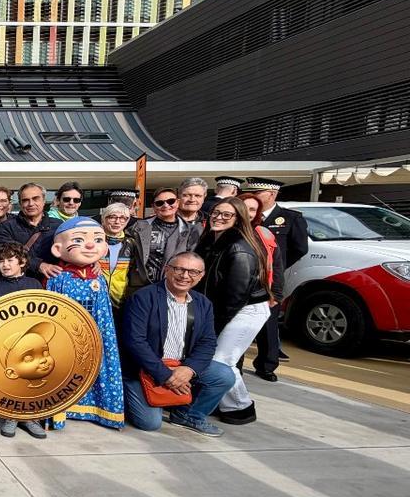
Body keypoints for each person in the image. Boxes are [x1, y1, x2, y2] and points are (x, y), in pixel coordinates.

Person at [120, 252, 235, 436]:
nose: (185, 276)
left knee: (224, 375)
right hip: (145, 368)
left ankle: (188, 415)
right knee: (150, 423)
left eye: (193, 272)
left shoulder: (203, 303)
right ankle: (134, 397)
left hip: (181, 365)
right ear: (167, 270)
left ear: (201, 276)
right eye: (179, 269)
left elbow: (207, 343)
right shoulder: (143, 297)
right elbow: (135, 341)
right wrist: (166, 376)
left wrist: (188, 370)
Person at [194, 197, 274, 425]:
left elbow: (234, 296)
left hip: (244, 310)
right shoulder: (210, 240)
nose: (218, 218)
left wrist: (213, 326)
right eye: (216, 213)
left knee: (222, 361)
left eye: (226, 215)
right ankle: (221, 402)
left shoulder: (240, 248)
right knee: (218, 359)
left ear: (238, 219)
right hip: (223, 309)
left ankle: (240, 406)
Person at [45, 217, 124, 430]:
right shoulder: (57, 278)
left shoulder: (99, 279)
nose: (90, 245)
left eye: (97, 240)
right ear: (57, 249)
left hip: (96, 334)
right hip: (65, 337)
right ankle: (60, 410)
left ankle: (99, 409)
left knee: (97, 366)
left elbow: (105, 314)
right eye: (79, 240)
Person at [242, 177, 309, 382]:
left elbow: (299, 248)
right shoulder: (245, 215)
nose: (253, 198)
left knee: (269, 322)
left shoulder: (290, 218)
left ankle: (267, 364)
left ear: (271, 194)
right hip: (243, 277)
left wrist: (274, 268)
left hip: (270, 280)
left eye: (258, 193)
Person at [0, 242, 47, 440]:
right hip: (9, 346)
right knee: (11, 382)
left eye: (10, 260)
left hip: (33, 343)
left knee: (32, 382)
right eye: (2, 261)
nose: (5, 265)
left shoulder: (34, 284)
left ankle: (29, 418)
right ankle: (11, 415)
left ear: (22, 262)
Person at [124, 187, 202, 300]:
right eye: (160, 203)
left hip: (173, 288)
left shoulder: (191, 231)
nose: (166, 205)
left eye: (171, 201)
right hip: (141, 288)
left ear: (178, 202)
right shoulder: (138, 227)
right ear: (154, 207)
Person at [0, 183, 61, 278]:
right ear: (20, 203)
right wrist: (38, 265)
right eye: (25, 200)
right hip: (19, 284)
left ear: (44, 201)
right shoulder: (7, 227)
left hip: (51, 281)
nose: (31, 204)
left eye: (35, 198)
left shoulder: (58, 226)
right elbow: (6, 255)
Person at [100, 202, 135, 309]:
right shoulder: (94, 241)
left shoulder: (132, 243)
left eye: (122, 218)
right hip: (98, 299)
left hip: (122, 301)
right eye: (112, 217)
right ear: (103, 219)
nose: (117, 221)